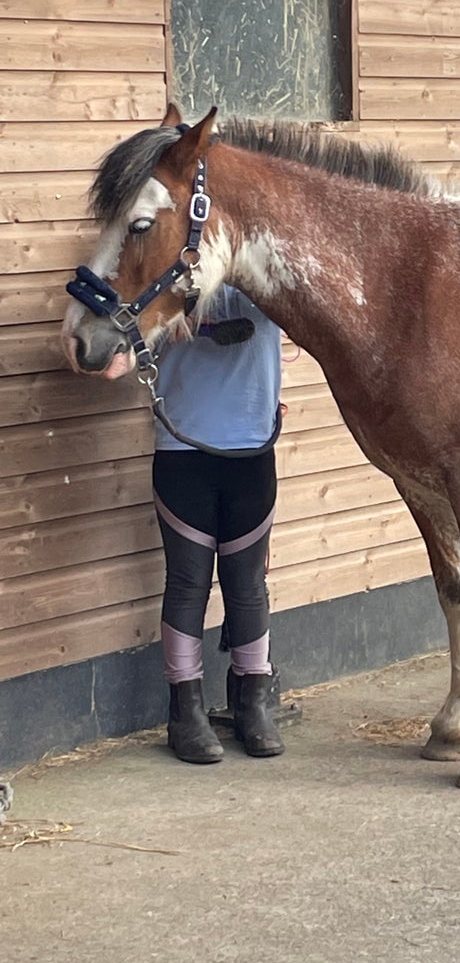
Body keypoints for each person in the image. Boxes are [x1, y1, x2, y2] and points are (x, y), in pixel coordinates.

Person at [151, 285, 285, 763]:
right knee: (188, 582)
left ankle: (253, 703)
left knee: (247, 584)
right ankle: (184, 713)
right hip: (182, 445)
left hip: (252, 447)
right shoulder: (165, 274)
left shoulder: (262, 276)